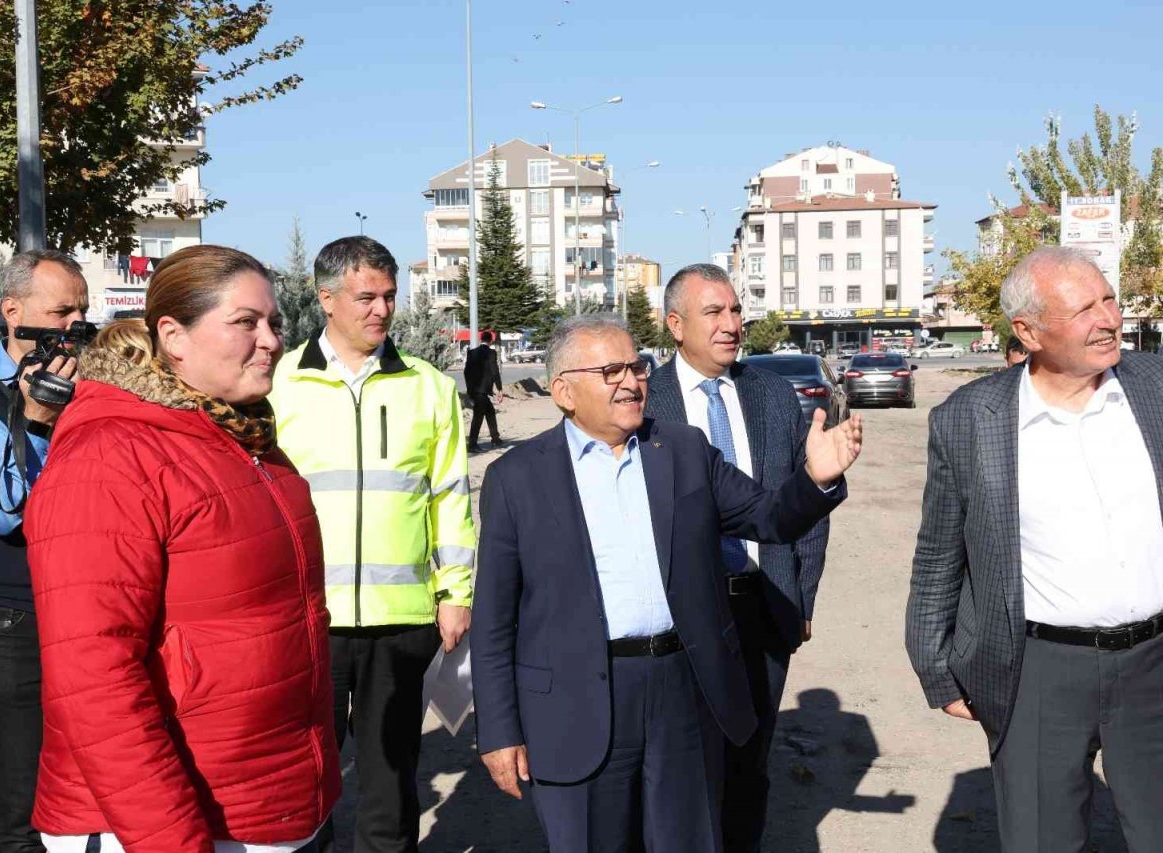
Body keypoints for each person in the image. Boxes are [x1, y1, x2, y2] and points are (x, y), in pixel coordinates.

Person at [472, 314, 861, 852]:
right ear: (564, 390)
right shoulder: (516, 477)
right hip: (575, 699)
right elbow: (494, 619)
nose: (632, 382)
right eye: (611, 371)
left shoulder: (682, 449)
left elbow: (767, 517)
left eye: (636, 367)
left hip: (683, 690)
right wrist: (498, 730)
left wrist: (815, 480)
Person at [23, 248, 339, 851]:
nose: (270, 340)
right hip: (163, 822)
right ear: (173, 335)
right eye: (246, 322)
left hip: (265, 805)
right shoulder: (111, 456)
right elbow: (93, 678)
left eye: (274, 322)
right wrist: (169, 839)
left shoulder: (243, 437)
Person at [906, 245, 1163, 852]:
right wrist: (936, 669)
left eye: (1109, 300)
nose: (1107, 319)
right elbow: (939, 553)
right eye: (1083, 309)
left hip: (1155, 662)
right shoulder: (972, 419)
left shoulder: (1154, 387)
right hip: (1037, 671)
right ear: (1029, 330)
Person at [268, 236, 474, 853]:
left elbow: (450, 497)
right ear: (325, 298)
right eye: (366, 297)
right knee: (304, 778)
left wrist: (455, 593)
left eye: (388, 296)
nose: (381, 309)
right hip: (307, 620)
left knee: (389, 784)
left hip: (400, 623)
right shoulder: (278, 383)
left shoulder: (429, 386)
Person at [645, 263, 830, 852]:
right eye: (714, 313)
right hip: (675, 618)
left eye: (734, 310)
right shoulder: (645, 400)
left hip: (761, 606)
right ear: (675, 325)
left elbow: (802, 504)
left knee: (749, 764)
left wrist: (801, 594)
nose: (732, 324)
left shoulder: (771, 394)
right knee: (681, 765)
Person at [0, 249, 88, 853]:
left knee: (95, 796)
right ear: (13, 312)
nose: (76, 325)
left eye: (83, 310)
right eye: (62, 311)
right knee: (20, 809)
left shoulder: (95, 386)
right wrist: (34, 418)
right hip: (16, 621)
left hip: (93, 612)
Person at [463, 330, 504, 451]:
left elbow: (466, 372)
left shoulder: (472, 352)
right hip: (482, 391)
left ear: (481, 339)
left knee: (490, 412)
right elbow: (494, 371)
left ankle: (495, 438)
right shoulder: (491, 353)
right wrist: (500, 389)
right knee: (478, 417)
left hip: (475, 390)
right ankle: (472, 444)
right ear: (491, 340)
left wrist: (470, 388)